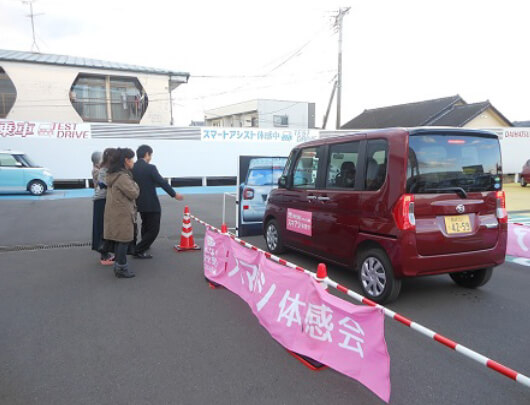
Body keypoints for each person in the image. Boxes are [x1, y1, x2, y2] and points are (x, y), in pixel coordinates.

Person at [132, 144, 183, 259]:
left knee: (145, 224)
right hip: (151, 203)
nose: (151, 158)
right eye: (150, 155)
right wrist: (174, 194)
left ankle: (144, 246)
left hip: (138, 202)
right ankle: (138, 249)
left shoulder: (133, 168)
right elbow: (162, 182)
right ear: (147, 154)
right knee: (154, 229)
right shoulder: (150, 168)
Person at [104, 148, 140, 278]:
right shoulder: (123, 177)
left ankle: (119, 267)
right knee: (124, 241)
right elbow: (134, 193)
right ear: (126, 160)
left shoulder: (113, 174)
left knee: (120, 241)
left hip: (116, 213)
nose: (133, 162)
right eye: (132, 159)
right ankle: (121, 268)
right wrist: (135, 184)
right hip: (123, 214)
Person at [91, 150, 115, 264]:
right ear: (97, 162)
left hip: (101, 199)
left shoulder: (100, 170)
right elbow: (105, 183)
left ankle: (105, 252)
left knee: (103, 227)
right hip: (100, 200)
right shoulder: (98, 171)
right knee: (101, 228)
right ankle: (103, 255)